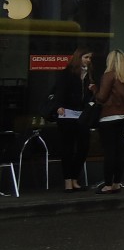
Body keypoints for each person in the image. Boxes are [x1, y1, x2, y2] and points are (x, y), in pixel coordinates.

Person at [48, 47, 94, 192]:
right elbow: (59, 90)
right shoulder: (67, 73)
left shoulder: (88, 75)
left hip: (81, 114)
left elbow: (89, 95)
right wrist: (58, 106)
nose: (88, 60)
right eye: (86, 57)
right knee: (67, 147)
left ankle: (74, 178)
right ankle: (68, 180)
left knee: (83, 147)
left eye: (89, 58)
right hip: (67, 113)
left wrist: (92, 91)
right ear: (79, 58)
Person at [92, 50, 124, 193]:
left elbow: (102, 97)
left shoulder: (109, 75)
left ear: (110, 61)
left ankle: (108, 184)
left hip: (108, 117)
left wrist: (94, 90)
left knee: (109, 152)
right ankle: (117, 183)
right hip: (123, 116)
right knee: (119, 151)